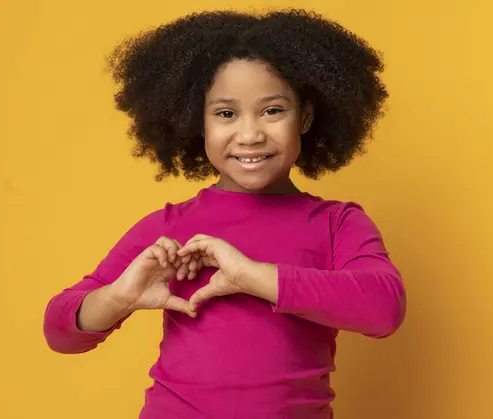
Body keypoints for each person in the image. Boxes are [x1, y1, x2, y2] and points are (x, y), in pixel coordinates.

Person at [43, 9, 406, 419]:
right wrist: (119, 297)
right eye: (226, 114)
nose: (249, 135)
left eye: (272, 110)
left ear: (304, 116)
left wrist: (250, 275)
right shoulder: (169, 227)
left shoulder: (338, 223)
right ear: (197, 121)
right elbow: (60, 333)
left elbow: (383, 309)